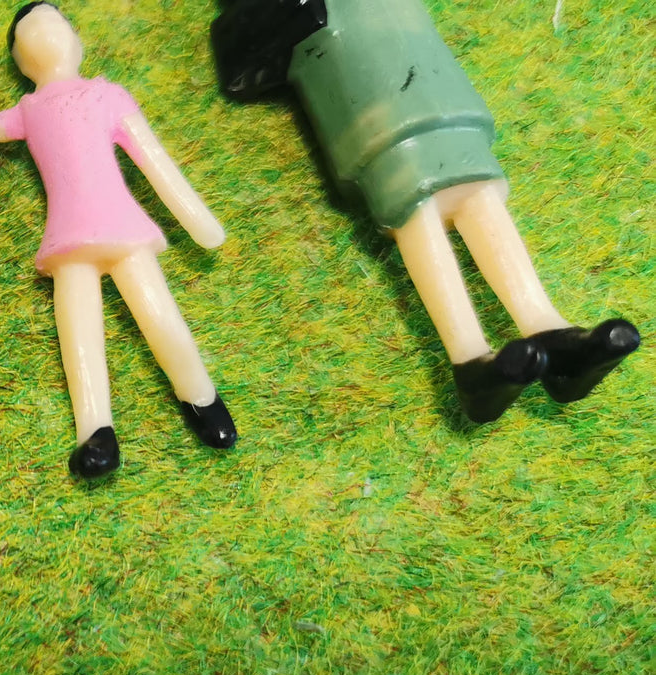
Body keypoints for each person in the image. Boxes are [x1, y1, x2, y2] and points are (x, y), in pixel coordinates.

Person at [213, 0, 639, 422]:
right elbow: (240, 66)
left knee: (479, 196)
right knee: (418, 209)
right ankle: (469, 359)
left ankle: (550, 330)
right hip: (372, 118)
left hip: (442, 99)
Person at [0, 2, 238, 479]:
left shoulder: (108, 96)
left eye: (54, 23)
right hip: (70, 239)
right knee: (79, 336)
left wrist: (198, 220)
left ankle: (201, 397)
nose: (46, 35)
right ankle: (96, 432)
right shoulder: (28, 111)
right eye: (30, 33)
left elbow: (154, 161)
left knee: (161, 318)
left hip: (125, 230)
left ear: (76, 41)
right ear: (20, 61)